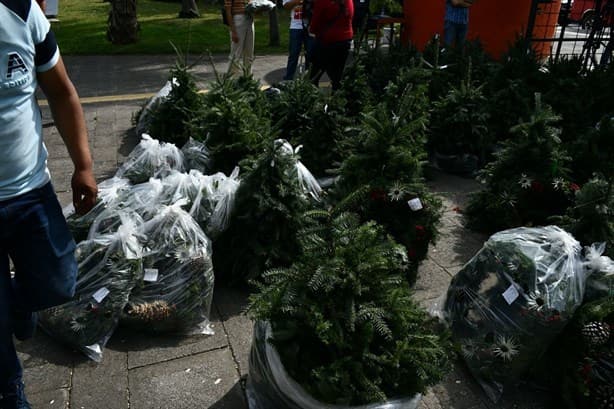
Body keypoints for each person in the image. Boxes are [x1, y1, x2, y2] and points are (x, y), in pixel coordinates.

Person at [1, 1, 98, 408]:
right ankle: (9, 390)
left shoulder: (21, 12)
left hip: (28, 192)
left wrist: (84, 165)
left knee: (58, 283)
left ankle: (16, 305)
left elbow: (60, 91)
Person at [309, 0, 354, 90]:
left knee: (314, 76)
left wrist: (311, 30)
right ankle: (337, 100)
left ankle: (311, 100)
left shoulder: (322, 1)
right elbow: (351, 17)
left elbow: (314, 24)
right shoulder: (349, 1)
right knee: (338, 77)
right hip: (345, 41)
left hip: (326, 42)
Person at [282, 0, 315, 80]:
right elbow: (286, 6)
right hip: (295, 27)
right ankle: (288, 79)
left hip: (310, 26)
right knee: (293, 54)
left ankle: (310, 80)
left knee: (311, 55)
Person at [224, 0, 255, 75]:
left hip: (250, 19)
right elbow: (228, 11)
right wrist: (233, 31)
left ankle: (248, 78)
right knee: (236, 54)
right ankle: (231, 80)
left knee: (249, 53)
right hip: (238, 19)